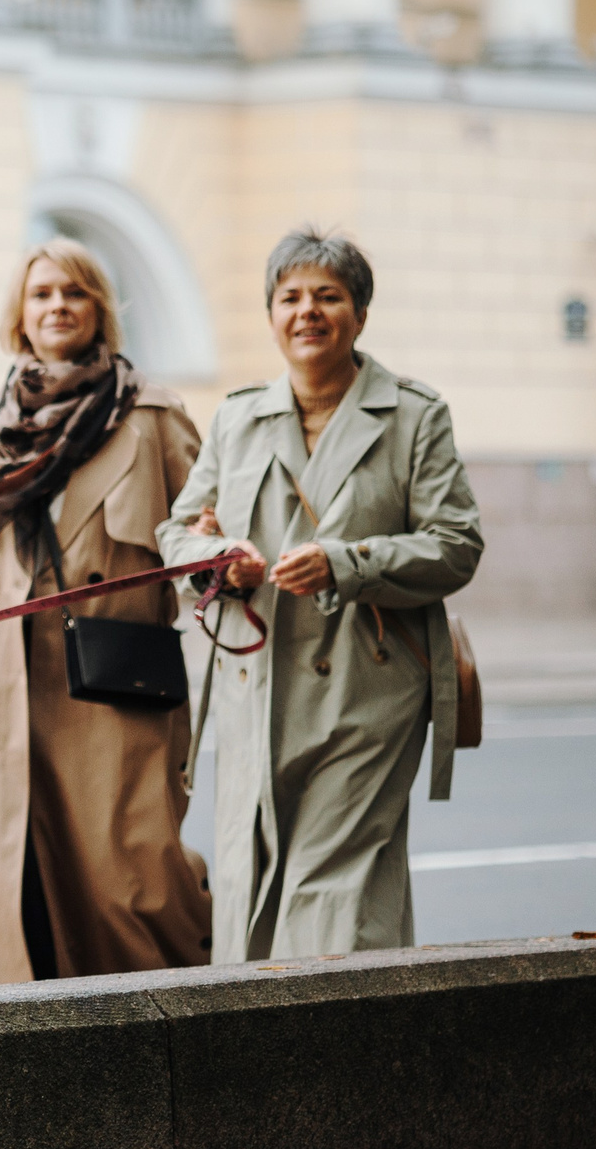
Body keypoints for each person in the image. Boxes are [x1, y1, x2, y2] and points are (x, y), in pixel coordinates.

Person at [157, 227, 483, 963]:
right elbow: (177, 535)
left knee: (336, 885)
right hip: (255, 688)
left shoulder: (413, 414)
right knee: (250, 878)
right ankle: (257, 1043)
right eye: (290, 297)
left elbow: (457, 544)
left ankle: (338, 1046)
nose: (308, 311)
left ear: (359, 315)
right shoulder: (238, 417)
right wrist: (221, 558)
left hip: (368, 690)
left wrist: (347, 563)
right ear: (271, 315)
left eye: (327, 296)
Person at [0, 239, 212, 986]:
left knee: (130, 887)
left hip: (110, 689)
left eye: (75, 293)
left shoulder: (150, 416)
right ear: (20, 314)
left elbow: (207, 533)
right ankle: (18, 1055)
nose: (58, 306)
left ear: (100, 310)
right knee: (9, 891)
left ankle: (178, 1029)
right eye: (43, 293)